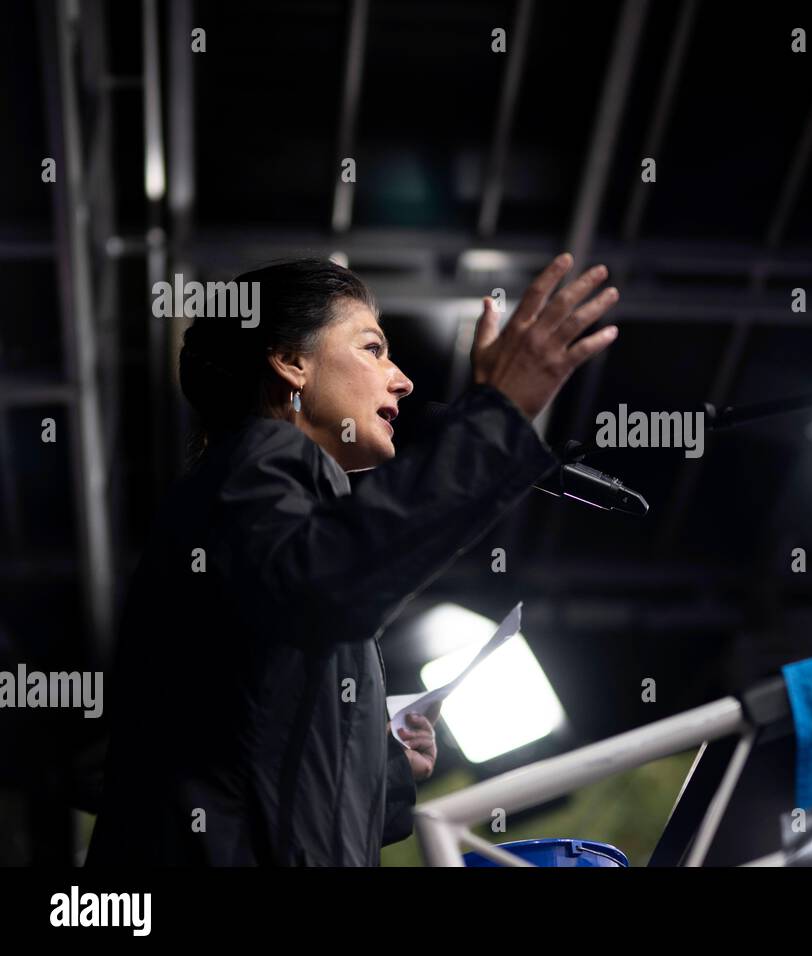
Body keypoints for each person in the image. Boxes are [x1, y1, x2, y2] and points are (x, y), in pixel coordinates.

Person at [85, 253, 619, 865]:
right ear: (291, 363)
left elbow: (251, 754)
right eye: (372, 348)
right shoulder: (260, 460)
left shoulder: (259, 509)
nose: (403, 380)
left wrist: (384, 762)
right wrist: (496, 418)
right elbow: (329, 585)